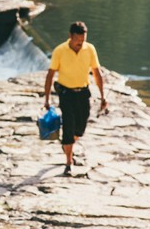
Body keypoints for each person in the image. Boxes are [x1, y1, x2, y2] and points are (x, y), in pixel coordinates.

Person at [43, 21, 107, 176]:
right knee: (69, 125)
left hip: (83, 93)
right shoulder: (60, 51)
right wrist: (47, 99)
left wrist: (103, 96)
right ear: (70, 36)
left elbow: (97, 73)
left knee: (80, 128)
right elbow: (50, 75)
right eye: (78, 40)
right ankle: (68, 162)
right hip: (66, 94)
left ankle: (68, 144)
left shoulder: (89, 49)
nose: (80, 43)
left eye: (83, 40)